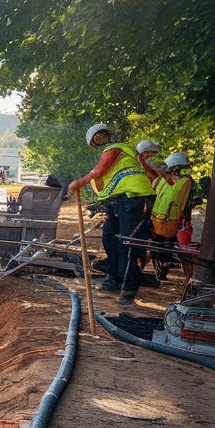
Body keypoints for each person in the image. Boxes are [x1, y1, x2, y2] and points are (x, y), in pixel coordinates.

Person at [67, 124, 156, 304]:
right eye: (95, 140)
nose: (98, 141)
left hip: (133, 198)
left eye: (98, 137)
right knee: (110, 237)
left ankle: (128, 287)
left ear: (105, 134)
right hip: (120, 201)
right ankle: (114, 278)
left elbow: (98, 171)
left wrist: (79, 182)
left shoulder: (116, 148)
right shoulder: (115, 154)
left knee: (128, 243)